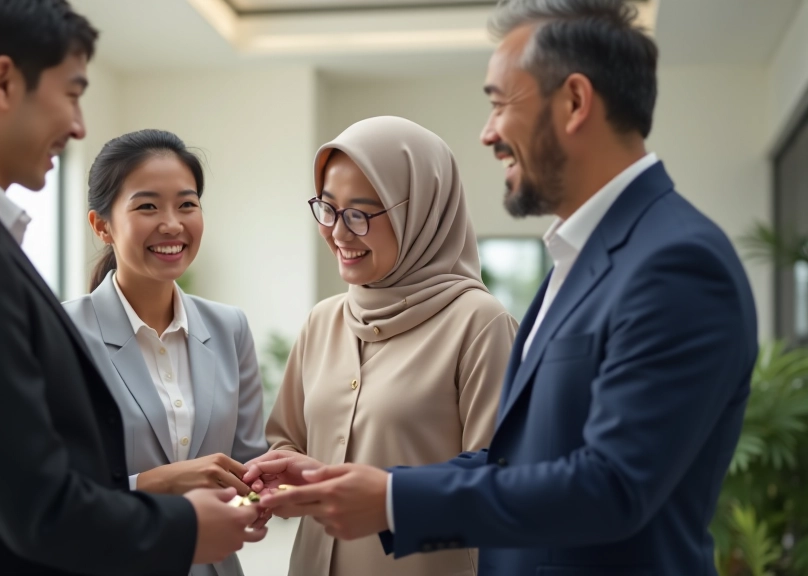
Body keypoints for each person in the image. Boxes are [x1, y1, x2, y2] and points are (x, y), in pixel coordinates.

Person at [254, 1, 759, 575]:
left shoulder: (677, 262)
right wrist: (366, 485)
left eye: (500, 104)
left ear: (574, 102)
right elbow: (514, 462)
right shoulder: (573, 266)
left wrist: (394, 501)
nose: (487, 133)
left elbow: (613, 486)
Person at [0, 2, 262, 575]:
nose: (79, 124)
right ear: (4, 81)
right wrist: (186, 527)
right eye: (71, 92)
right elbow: (37, 506)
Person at [244, 115, 517, 575]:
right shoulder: (322, 321)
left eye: (361, 214)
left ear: (421, 212)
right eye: (327, 208)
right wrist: (291, 481)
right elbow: (288, 440)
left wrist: (389, 501)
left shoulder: (480, 325)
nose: (338, 232)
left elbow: (501, 485)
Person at [63, 129, 270, 576]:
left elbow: (249, 465)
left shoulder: (229, 327)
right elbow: (49, 495)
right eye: (147, 206)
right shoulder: (61, 335)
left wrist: (253, 501)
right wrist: (162, 483)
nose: (173, 224)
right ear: (101, 225)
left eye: (187, 204)